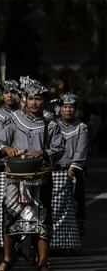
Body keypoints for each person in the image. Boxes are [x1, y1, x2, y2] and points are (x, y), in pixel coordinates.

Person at [0, 76, 64, 271]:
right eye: (31, 98)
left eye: (38, 99)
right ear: (25, 99)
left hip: (40, 178)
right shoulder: (14, 119)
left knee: (43, 219)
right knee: (9, 216)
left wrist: (44, 152)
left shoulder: (51, 122)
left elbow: (59, 148)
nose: (34, 102)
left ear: (44, 101)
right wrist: (6, 148)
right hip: (16, 179)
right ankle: (7, 258)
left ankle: (42, 261)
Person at [56, 92, 87, 237]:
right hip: (55, 171)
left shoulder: (81, 127)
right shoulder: (52, 126)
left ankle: (74, 242)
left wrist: (73, 167)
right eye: (65, 106)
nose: (68, 110)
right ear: (59, 108)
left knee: (75, 205)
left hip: (73, 171)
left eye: (71, 107)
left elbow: (81, 150)